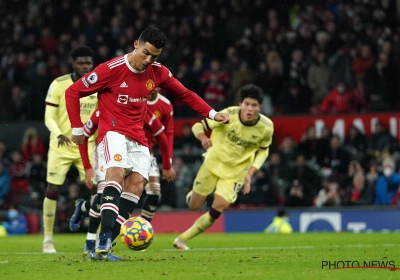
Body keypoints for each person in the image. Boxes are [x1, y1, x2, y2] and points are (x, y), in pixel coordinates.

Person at [65, 27, 229, 260]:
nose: (149, 60)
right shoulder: (110, 70)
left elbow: (186, 94)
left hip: (138, 137)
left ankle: (106, 243)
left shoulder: (158, 72)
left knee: (137, 186)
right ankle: (102, 238)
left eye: (155, 56)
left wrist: (212, 114)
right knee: (116, 174)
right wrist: (77, 128)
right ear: (135, 45)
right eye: (146, 53)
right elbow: (73, 92)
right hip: (113, 133)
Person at [173, 84, 273, 250]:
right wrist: (203, 137)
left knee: (219, 207)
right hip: (213, 163)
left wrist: (251, 173)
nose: (249, 108)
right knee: (194, 206)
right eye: (247, 104)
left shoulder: (266, 127)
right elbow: (197, 126)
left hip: (235, 173)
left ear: (259, 108)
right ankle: (196, 194)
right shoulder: (228, 114)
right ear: (240, 104)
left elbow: (263, 151)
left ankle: (182, 239)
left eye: (254, 105)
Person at [72, 108, 174, 255]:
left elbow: (162, 134)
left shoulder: (141, 108)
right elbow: (83, 134)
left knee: (125, 196)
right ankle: (90, 243)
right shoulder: (102, 110)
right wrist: (87, 167)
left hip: (135, 153)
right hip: (105, 151)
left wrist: (167, 164)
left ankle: (88, 215)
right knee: (103, 195)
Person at [42, 46, 97, 253]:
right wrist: (58, 134)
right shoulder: (59, 84)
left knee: (97, 190)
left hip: (89, 145)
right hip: (62, 145)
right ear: (72, 63)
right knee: (53, 189)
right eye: (81, 62)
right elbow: (48, 116)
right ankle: (48, 240)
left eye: (88, 63)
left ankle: (93, 238)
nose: (85, 66)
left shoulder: (97, 84)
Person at [141, 87, 174, 223]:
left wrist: (168, 163)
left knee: (154, 192)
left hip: (147, 153)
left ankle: (142, 227)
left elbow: (168, 134)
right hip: (124, 152)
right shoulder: (135, 99)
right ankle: (85, 208)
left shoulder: (165, 105)